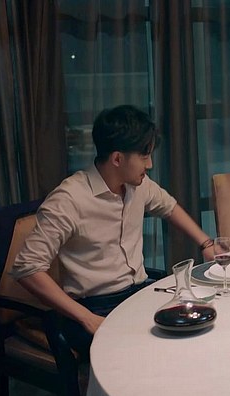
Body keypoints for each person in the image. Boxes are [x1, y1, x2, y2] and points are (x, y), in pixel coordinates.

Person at [11, 105, 214, 357]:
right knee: (153, 353)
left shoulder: (138, 185)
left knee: (199, 326)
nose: (150, 164)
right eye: (144, 156)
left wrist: (206, 243)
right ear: (117, 159)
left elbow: (168, 206)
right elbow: (27, 268)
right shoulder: (69, 199)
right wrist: (87, 318)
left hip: (137, 295)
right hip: (94, 307)